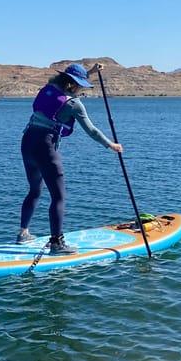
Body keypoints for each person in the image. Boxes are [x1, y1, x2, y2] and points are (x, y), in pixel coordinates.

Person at [16, 62, 123, 254]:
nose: (82, 90)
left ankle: (23, 233)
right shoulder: (74, 104)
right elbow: (91, 130)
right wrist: (111, 145)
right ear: (72, 85)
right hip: (45, 146)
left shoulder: (47, 89)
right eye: (81, 85)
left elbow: (66, 83)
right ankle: (56, 244)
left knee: (34, 191)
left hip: (27, 142)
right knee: (58, 197)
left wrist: (90, 72)